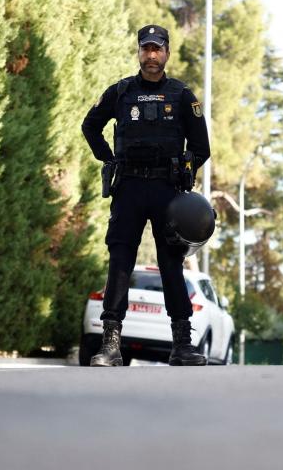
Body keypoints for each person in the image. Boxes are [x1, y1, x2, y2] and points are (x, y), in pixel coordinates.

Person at [81, 24, 211, 367]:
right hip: (129, 189)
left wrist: (188, 166)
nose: (151, 55)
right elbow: (89, 125)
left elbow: (202, 147)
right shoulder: (120, 92)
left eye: (157, 49)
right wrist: (107, 158)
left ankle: (182, 345)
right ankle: (110, 345)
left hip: (168, 191)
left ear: (167, 53)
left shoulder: (183, 95)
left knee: (171, 265)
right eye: (146, 49)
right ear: (139, 52)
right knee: (120, 262)